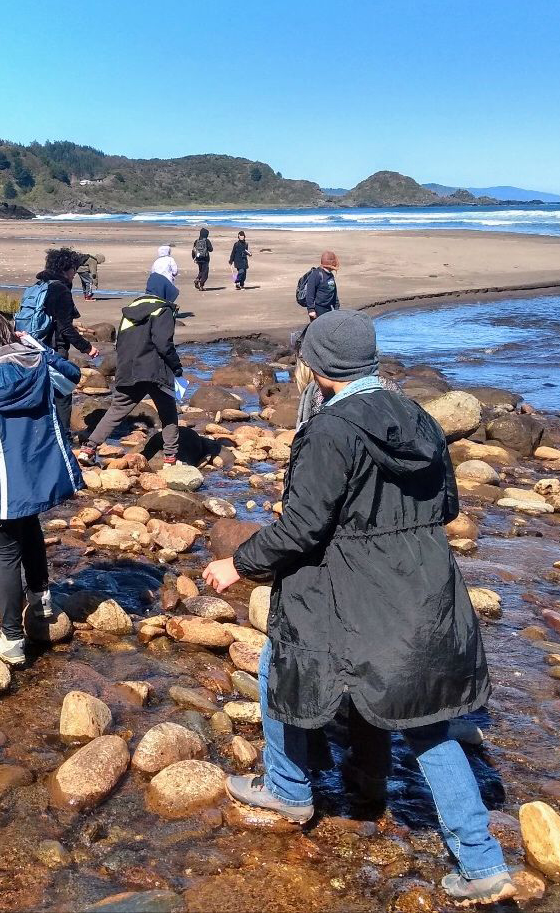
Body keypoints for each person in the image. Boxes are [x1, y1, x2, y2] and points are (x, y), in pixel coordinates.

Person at [202, 311, 513, 906]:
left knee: (280, 667)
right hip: (425, 586)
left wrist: (236, 564)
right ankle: (469, 853)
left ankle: (290, 790)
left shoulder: (329, 430)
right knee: (423, 718)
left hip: (354, 588)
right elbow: (446, 505)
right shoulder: (417, 416)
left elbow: (300, 529)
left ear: (317, 370)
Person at [0, 309, 83, 666]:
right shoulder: (37, 363)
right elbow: (72, 379)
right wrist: (38, 346)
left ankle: (11, 640)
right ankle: (40, 600)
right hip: (36, 479)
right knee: (31, 531)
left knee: (5, 553)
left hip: (2, 483)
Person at [80, 272, 183, 467]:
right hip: (155, 371)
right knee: (168, 414)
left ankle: (88, 448)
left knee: (116, 410)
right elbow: (163, 343)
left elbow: (121, 344)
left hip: (128, 369)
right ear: (164, 291)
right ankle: (170, 458)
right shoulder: (163, 310)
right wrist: (176, 366)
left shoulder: (129, 312)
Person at [20, 248, 100, 434]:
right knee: (62, 392)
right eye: (73, 269)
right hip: (54, 348)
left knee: (39, 389)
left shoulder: (39, 285)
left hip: (33, 344)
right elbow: (65, 327)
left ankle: (37, 430)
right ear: (66, 269)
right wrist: (87, 347)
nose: (75, 273)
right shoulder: (61, 289)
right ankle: (63, 436)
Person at [297, 250, 340, 320]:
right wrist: (311, 310)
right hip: (319, 308)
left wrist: (337, 306)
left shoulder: (330, 275)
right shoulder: (316, 275)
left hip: (329, 307)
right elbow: (310, 293)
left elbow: (333, 291)